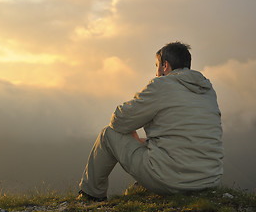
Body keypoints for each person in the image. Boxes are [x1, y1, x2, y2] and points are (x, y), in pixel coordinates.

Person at [78, 42, 223, 201]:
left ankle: (90, 196)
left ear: (165, 65)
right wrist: (144, 142)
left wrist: (139, 101)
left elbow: (119, 121)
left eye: (156, 66)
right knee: (147, 143)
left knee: (108, 134)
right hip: (209, 180)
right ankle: (144, 187)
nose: (156, 73)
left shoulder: (162, 85)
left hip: (172, 181)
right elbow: (183, 137)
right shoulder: (207, 90)